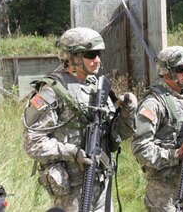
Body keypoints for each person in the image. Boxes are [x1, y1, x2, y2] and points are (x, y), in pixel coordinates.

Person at [22, 27, 137, 211]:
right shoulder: (52, 91)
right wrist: (72, 152)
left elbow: (117, 135)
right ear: (73, 57)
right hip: (71, 191)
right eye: (91, 54)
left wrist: (128, 112)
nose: (97, 60)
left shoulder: (98, 87)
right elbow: (33, 144)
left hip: (101, 184)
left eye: (99, 54)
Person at [131, 46, 183, 211]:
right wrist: (176, 154)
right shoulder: (154, 103)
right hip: (165, 187)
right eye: (181, 69)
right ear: (167, 71)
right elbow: (139, 147)